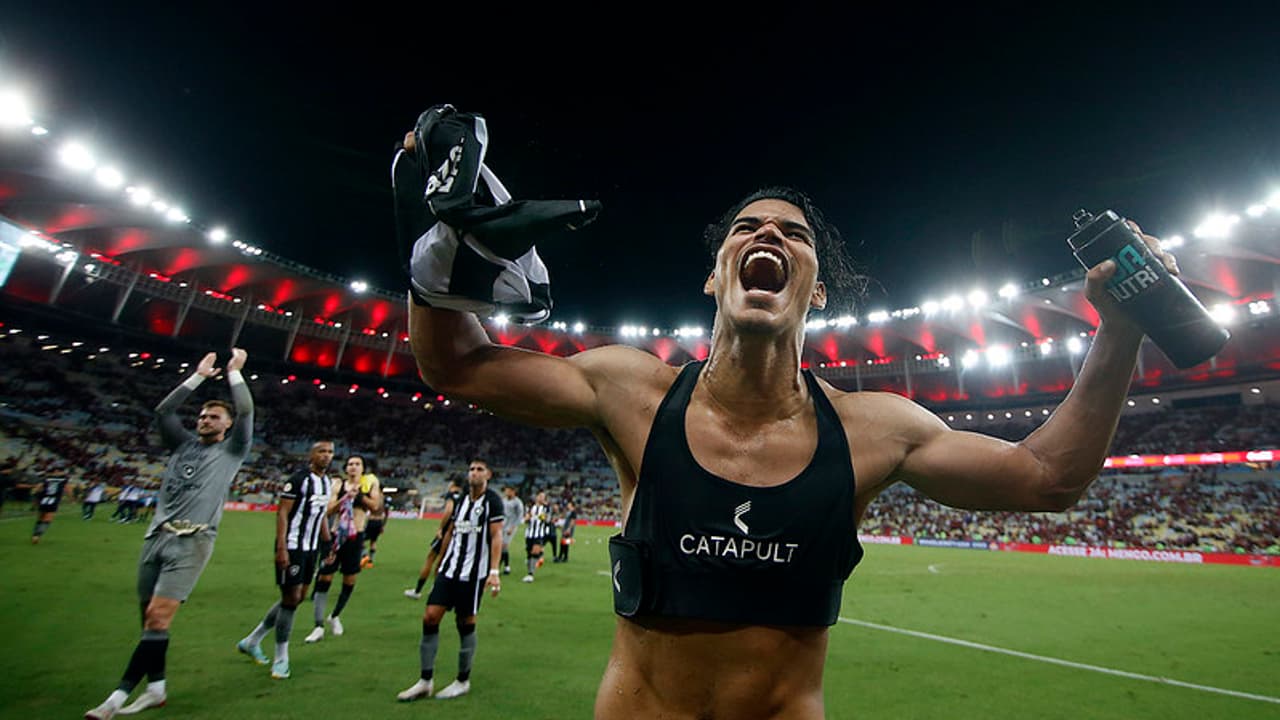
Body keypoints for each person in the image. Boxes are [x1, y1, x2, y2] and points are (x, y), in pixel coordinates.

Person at [398, 129, 1174, 718]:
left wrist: (1120, 330)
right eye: (747, 228)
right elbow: (455, 365)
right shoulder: (632, 390)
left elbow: (1048, 477)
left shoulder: (877, 429)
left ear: (818, 291)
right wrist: (440, 263)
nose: (769, 235)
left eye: (793, 234)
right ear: (715, 275)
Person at [85, 349, 253, 719]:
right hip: (155, 536)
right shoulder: (182, 445)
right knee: (148, 619)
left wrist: (234, 375)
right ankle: (157, 689)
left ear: (226, 425)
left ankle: (115, 699)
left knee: (158, 618)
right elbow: (163, 412)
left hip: (193, 541)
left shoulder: (233, 450)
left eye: (214, 417)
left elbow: (245, 412)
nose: (205, 420)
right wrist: (196, 377)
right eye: (203, 415)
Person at [396, 459, 503, 702]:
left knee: (465, 622)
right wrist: (440, 561)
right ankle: (425, 680)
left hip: (473, 574)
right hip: (449, 569)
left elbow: (496, 537)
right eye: (471, 469)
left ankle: (462, 681)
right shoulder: (460, 500)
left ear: (488, 474)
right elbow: (451, 532)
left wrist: (494, 571)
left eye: (479, 469)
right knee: (430, 616)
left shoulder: (492, 501)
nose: (474, 473)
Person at [237, 440, 335, 680]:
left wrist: (327, 542)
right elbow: (282, 512)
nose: (326, 456)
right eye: (321, 451)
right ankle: (281, 658)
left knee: (298, 597)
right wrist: (281, 548)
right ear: (311, 455)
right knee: (290, 599)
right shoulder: (299, 479)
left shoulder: (326, 482)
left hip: (311, 549)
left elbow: (321, 514)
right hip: (292, 546)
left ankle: (252, 640)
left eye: (330, 452)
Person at [304, 454, 381, 643]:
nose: (353, 467)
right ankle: (318, 625)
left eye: (357, 464)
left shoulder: (370, 484)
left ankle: (335, 615)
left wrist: (359, 496)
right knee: (325, 577)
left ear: (363, 468)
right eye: (350, 464)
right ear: (346, 469)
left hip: (356, 536)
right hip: (335, 535)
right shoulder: (337, 485)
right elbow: (328, 510)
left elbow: (375, 507)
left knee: (349, 579)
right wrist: (345, 498)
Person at [404, 478, 463, 599]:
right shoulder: (464, 496)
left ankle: (417, 591)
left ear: (453, 483)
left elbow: (448, 510)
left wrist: (441, 528)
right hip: (458, 532)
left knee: (431, 559)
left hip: (447, 531)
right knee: (444, 562)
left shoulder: (451, 495)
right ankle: (436, 589)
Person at [25, 473, 68, 543]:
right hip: (53, 500)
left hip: (43, 500)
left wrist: (35, 493)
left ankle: (35, 534)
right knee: (48, 519)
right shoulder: (63, 480)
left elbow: (38, 487)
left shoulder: (47, 479)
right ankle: (37, 536)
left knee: (40, 518)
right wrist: (72, 498)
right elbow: (68, 488)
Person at [521, 491, 552, 583]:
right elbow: (526, 519)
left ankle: (530, 574)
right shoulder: (530, 507)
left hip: (539, 533)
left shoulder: (546, 508)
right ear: (536, 497)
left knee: (534, 552)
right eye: (540, 496)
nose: (541, 498)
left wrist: (544, 517)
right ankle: (539, 557)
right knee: (529, 554)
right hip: (529, 533)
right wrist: (527, 518)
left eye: (543, 497)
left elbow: (548, 520)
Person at [361, 474, 388, 569]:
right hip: (379, 521)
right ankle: (370, 562)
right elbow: (386, 512)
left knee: (361, 540)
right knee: (373, 542)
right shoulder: (383, 498)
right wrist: (383, 525)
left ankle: (365, 557)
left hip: (371, 521)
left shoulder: (374, 497)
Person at [499, 485, 524, 575]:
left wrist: (512, 528)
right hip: (502, 525)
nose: (506, 492)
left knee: (504, 546)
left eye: (508, 491)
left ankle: (503, 566)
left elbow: (519, 516)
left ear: (513, 491)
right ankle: (505, 566)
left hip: (510, 526)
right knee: (500, 546)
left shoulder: (518, 503)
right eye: (506, 491)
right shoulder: (503, 500)